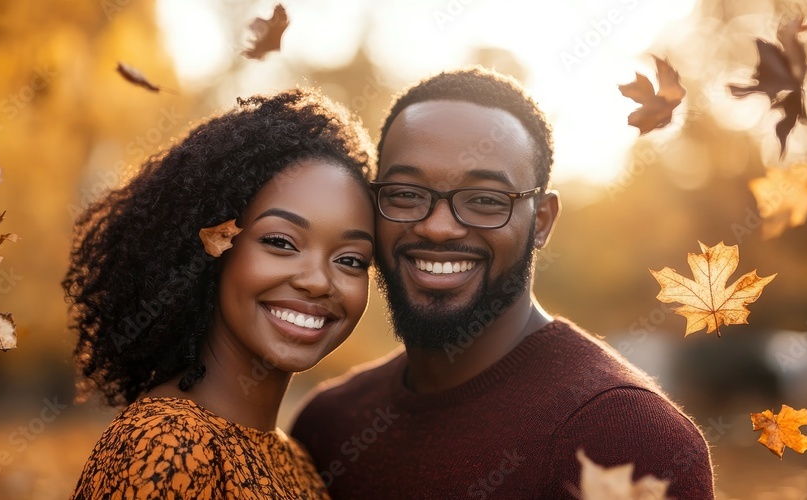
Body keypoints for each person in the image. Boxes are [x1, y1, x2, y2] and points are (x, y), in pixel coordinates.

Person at [290, 67, 715, 498]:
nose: (438, 228)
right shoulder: (328, 425)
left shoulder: (630, 441)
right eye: (406, 194)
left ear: (543, 222)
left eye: (486, 201)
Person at [63, 88, 375, 499]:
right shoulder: (166, 443)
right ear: (214, 248)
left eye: (351, 260)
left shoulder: (297, 463)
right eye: (281, 242)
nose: (318, 281)